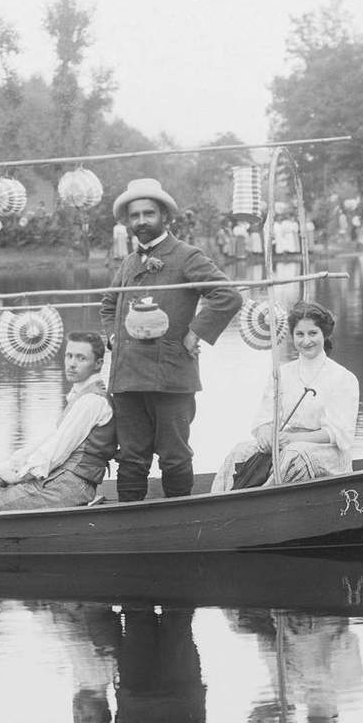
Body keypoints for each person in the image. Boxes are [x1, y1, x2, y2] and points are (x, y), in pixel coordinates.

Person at [101, 178, 243, 502]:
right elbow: (108, 304)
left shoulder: (187, 256)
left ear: (165, 216)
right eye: (135, 215)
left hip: (171, 377)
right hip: (127, 378)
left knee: (174, 455)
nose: (141, 221)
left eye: (148, 213)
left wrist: (196, 333)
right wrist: (113, 337)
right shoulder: (128, 262)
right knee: (131, 457)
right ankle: (129, 523)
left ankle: (181, 519)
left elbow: (228, 296)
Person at [0, 332, 117, 512]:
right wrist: (1, 469)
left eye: (81, 358)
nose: (72, 363)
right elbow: (48, 442)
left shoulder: (92, 401)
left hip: (68, 486)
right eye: (69, 356)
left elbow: (55, 452)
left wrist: (18, 476)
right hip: (61, 481)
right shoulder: (81, 396)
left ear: (98, 364)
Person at [212, 301, 360, 491]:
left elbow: (337, 433)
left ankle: (262, 501)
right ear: (293, 336)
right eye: (300, 334)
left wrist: (292, 439)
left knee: (294, 455)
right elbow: (264, 419)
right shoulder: (281, 374)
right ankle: (221, 500)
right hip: (285, 444)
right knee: (241, 450)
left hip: (327, 452)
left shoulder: (343, 378)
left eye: (313, 333)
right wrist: (266, 437)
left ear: (324, 334)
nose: (306, 341)